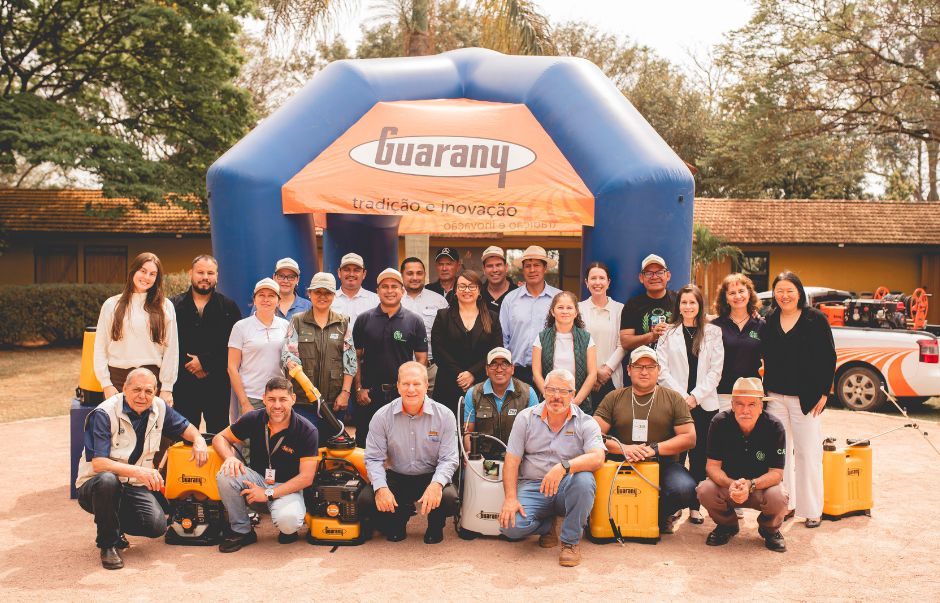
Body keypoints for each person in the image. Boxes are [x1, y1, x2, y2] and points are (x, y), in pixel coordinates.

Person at [76, 368, 208, 569]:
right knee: (107, 480)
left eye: (148, 391)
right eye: (136, 389)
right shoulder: (104, 413)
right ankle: (108, 544)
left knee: (156, 526)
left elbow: (186, 427)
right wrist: (141, 471)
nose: (142, 396)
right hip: (94, 485)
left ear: (155, 392)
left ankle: (113, 522)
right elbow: (99, 463)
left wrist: (198, 439)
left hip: (132, 485)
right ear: (124, 389)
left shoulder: (159, 407)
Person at [498, 369, 606, 567]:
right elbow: (512, 461)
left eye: (564, 391)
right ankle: (548, 525)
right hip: (533, 486)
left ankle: (570, 543)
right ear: (544, 391)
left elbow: (598, 458)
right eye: (552, 390)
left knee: (584, 480)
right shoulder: (525, 418)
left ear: (572, 395)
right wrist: (510, 499)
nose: (557, 396)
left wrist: (563, 467)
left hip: (566, 486)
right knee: (510, 527)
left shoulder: (586, 422)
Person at [760, 271, 836, 529]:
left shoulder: (816, 319)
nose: (785, 295)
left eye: (790, 290)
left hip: (807, 398)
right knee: (780, 455)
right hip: (775, 397)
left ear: (799, 292)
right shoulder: (770, 319)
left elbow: (829, 357)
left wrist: (825, 393)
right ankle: (786, 503)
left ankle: (812, 509)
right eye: (780, 290)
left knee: (808, 453)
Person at [593, 346, 697, 534]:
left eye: (650, 366)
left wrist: (654, 449)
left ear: (658, 370)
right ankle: (614, 515)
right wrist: (623, 448)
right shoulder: (614, 397)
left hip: (662, 464)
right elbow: (592, 435)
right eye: (638, 366)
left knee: (685, 489)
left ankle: (659, 515)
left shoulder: (674, 398)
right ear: (629, 370)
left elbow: (689, 438)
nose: (644, 371)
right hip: (620, 465)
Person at [212, 377, 319, 551]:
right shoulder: (254, 418)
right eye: (272, 399)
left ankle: (286, 526)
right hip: (257, 481)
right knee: (226, 474)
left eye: (283, 399)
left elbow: (306, 478)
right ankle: (242, 531)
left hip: (287, 487)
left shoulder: (307, 430)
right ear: (264, 399)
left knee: (289, 522)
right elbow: (219, 438)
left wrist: (268, 493)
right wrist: (229, 458)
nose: (277, 406)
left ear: (293, 399)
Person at [359, 362, 459, 544]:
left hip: (430, 475)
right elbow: (373, 458)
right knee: (366, 499)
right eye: (405, 384)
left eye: (416, 384)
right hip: (398, 476)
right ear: (398, 386)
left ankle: (436, 524)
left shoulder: (445, 416)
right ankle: (398, 517)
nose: (411, 389)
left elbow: (449, 459)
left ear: (426, 385)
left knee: (449, 498)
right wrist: (381, 488)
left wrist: (437, 484)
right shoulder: (382, 416)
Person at [656, 284, 724, 524]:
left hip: (704, 404)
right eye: (683, 303)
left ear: (699, 305)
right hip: (676, 404)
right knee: (676, 454)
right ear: (678, 306)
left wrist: (695, 396)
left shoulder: (713, 333)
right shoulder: (668, 333)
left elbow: (716, 371)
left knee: (700, 456)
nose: (688, 307)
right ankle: (676, 505)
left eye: (692, 302)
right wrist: (682, 397)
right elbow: (661, 369)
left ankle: (695, 506)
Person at [696, 377, 788, 552]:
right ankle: (727, 525)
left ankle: (769, 529)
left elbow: (777, 473)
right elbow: (712, 467)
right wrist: (732, 484)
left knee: (779, 496)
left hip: (760, 488)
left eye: (752, 404)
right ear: (732, 405)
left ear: (761, 406)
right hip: (729, 487)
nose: (745, 410)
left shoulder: (775, 427)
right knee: (704, 489)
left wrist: (751, 485)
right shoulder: (719, 422)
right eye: (739, 404)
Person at [352, 268, 429, 447]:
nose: (389, 290)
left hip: (401, 394)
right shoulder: (364, 319)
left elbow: (421, 360)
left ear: (402, 291)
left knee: (400, 443)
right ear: (377, 291)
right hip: (369, 395)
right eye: (384, 286)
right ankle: (366, 476)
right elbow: (354, 358)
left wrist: (413, 390)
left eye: (394, 286)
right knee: (366, 442)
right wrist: (359, 388)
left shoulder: (414, 321)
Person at [93, 252, 178, 404]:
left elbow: (171, 350)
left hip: (152, 381)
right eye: (143, 271)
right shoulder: (111, 305)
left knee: (150, 428)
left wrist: (167, 388)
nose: (146, 277)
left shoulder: (165, 306)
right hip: (118, 381)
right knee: (118, 428)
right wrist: (106, 384)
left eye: (152, 274)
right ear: (133, 271)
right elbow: (100, 347)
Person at [171, 255, 242, 433]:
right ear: (191, 274)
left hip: (217, 383)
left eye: (210, 273)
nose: (205, 277)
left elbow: (234, 348)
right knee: (184, 435)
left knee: (218, 435)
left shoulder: (229, 308)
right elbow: (168, 345)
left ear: (217, 276)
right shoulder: (173, 306)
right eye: (200, 272)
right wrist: (191, 365)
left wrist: (204, 362)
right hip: (183, 383)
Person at [282, 272, 357, 428]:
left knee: (333, 449)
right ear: (310, 293)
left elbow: (350, 361)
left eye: (327, 292)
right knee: (306, 448)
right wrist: (291, 364)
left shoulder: (342, 323)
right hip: (303, 402)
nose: (322, 296)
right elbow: (289, 354)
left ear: (334, 295)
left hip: (334, 402)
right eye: (317, 292)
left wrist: (345, 393)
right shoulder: (297, 320)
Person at [431, 270, 503, 413]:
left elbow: (496, 350)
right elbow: (438, 350)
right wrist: (460, 375)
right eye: (462, 286)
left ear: (479, 291)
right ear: (456, 291)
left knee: (479, 430)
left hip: (481, 383)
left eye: (471, 286)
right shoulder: (443, 316)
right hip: (448, 382)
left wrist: (472, 374)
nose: (466, 290)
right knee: (448, 429)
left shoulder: (492, 317)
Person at [499, 245, 561, 388]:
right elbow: (503, 337)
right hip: (517, 372)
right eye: (528, 266)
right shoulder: (510, 299)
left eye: (536, 265)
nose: (532, 270)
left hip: (550, 372)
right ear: (523, 269)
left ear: (545, 268)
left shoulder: (558, 298)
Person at [228, 278, 290, 420]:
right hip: (251, 397)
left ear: (278, 301)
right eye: (261, 295)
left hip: (277, 397)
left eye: (271, 296)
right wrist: (244, 402)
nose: (266, 299)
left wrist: (286, 392)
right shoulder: (240, 327)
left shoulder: (286, 326)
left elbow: (291, 362)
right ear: (254, 300)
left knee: (277, 440)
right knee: (250, 441)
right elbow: (232, 367)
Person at [462, 347, 539, 457]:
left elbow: (535, 432)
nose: (499, 369)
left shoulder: (528, 393)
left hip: (518, 459)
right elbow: (468, 432)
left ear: (512, 369)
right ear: (487, 370)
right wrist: (472, 457)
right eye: (493, 364)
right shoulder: (473, 393)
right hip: (482, 459)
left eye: (505, 364)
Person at [532, 291, 597, 412]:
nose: (565, 311)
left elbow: (592, 375)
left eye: (569, 308)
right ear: (552, 311)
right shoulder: (541, 338)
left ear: (576, 312)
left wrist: (575, 402)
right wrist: (549, 397)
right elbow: (536, 374)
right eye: (560, 307)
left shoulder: (587, 338)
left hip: (579, 405)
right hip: (549, 403)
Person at [711, 273, 765, 413]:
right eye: (732, 293)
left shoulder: (761, 325)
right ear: (726, 298)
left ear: (749, 294)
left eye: (741, 291)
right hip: (723, 395)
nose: (738, 296)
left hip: (752, 394)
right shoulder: (715, 326)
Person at [579, 261, 625, 410]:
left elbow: (622, 344)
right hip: (584, 379)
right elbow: (576, 344)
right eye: (593, 278)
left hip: (611, 378)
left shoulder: (620, 309)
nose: (597, 282)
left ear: (608, 282)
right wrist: (593, 372)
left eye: (601, 278)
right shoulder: (578, 309)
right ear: (586, 282)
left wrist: (607, 370)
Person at [399, 256, 449, 393]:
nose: (415, 277)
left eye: (419, 273)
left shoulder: (439, 301)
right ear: (402, 275)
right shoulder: (394, 299)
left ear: (425, 275)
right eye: (410, 273)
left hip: (432, 369)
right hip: (400, 367)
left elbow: (448, 336)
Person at [619, 253, 678, 355]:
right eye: (649, 273)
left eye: (659, 272)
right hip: (643, 366)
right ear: (641, 277)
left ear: (668, 276)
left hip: (672, 365)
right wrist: (652, 336)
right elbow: (625, 342)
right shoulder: (632, 305)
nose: (654, 277)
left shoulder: (679, 300)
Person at [332, 252, 379, 329]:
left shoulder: (376, 300)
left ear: (364, 274)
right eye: (346, 270)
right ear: (339, 273)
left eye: (356, 270)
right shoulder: (329, 299)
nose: (351, 274)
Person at [480, 246, 517, 312]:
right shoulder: (478, 294)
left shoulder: (517, 294)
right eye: (490, 266)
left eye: (498, 265)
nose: (494, 270)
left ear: (506, 267)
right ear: (484, 270)